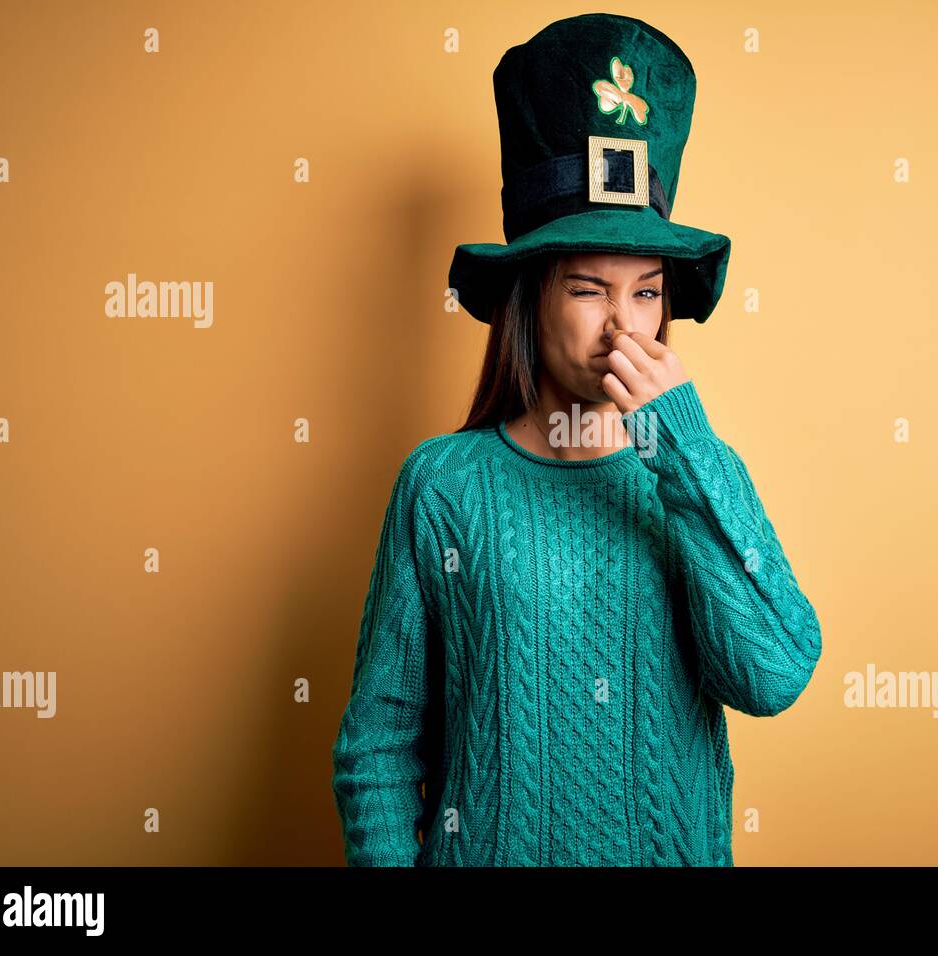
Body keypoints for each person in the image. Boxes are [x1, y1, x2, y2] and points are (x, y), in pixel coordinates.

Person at [331, 14, 822, 867]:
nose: (621, 327)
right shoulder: (443, 485)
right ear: (530, 297)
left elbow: (775, 674)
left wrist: (686, 451)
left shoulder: (702, 476)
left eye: (647, 293)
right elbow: (377, 747)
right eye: (589, 289)